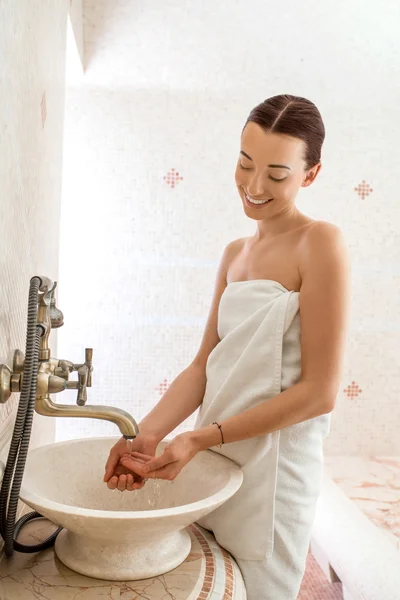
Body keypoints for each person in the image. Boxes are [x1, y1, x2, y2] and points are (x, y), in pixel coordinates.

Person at [103, 94, 350, 599]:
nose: (254, 186)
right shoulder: (235, 254)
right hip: (215, 458)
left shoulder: (320, 243)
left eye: (277, 175)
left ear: (311, 174)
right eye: (244, 163)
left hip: (273, 471)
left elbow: (320, 393)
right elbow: (202, 367)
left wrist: (200, 438)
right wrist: (145, 437)